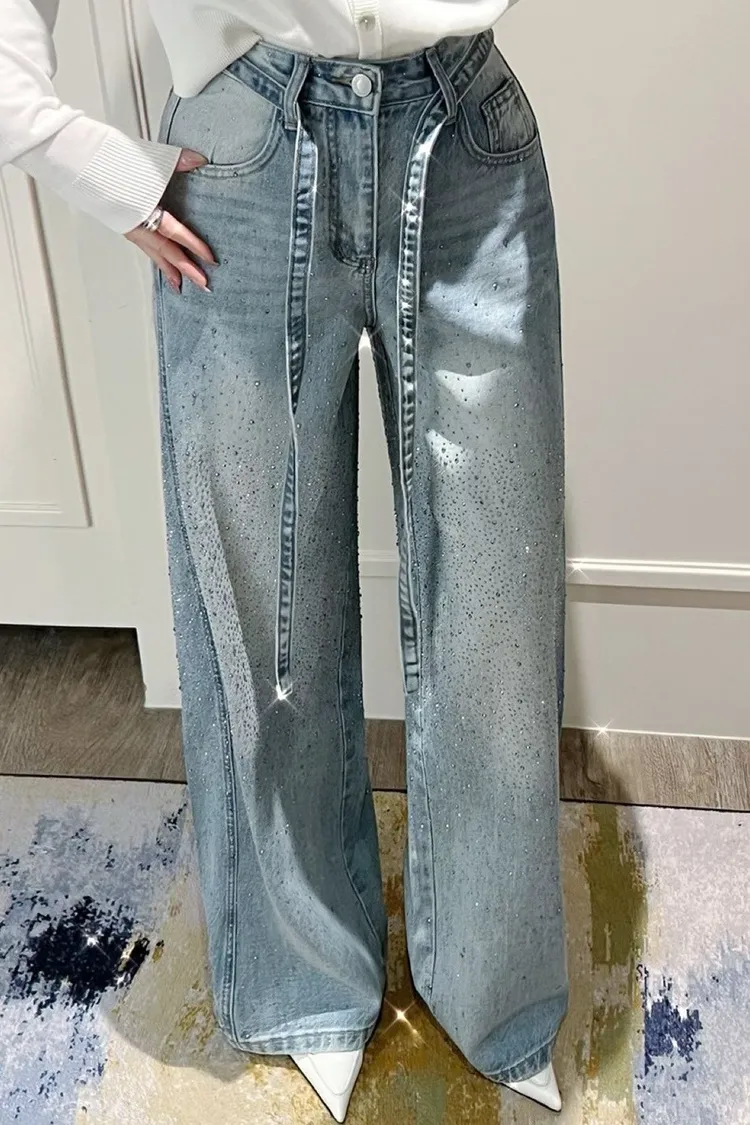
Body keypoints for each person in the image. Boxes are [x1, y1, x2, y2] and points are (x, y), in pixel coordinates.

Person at [1, 2, 568, 1119]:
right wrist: (87, 163)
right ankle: (303, 982)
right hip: (246, 152)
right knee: (261, 614)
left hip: (469, 135)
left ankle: (495, 983)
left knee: (497, 620)